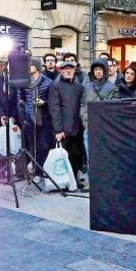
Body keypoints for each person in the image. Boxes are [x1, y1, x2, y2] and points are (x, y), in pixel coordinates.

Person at [47, 58, 84, 189]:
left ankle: (73, 180)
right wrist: (57, 130)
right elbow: (54, 108)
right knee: (63, 157)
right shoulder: (55, 85)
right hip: (63, 130)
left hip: (77, 128)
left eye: (71, 68)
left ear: (75, 70)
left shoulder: (79, 86)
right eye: (65, 68)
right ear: (61, 71)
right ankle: (62, 181)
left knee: (76, 156)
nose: (68, 70)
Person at [15, 58, 52, 179]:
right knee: (32, 145)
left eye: (30, 65)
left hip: (44, 118)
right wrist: (23, 112)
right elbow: (20, 98)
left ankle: (40, 169)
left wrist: (44, 102)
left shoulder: (48, 82)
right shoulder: (25, 81)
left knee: (43, 145)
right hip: (28, 117)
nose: (28, 67)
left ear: (36, 67)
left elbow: (52, 100)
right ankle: (33, 169)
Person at [80, 58, 118, 166]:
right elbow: (82, 105)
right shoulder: (87, 87)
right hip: (89, 127)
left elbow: (114, 108)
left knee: (105, 157)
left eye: (101, 69)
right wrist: (85, 121)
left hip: (105, 129)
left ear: (105, 70)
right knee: (90, 158)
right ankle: (92, 181)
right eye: (96, 69)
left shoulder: (112, 87)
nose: (98, 71)